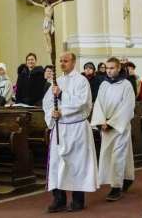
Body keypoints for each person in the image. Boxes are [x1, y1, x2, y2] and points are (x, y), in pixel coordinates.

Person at [42, 52, 98, 213]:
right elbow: (46, 103)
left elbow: (81, 103)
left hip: (77, 129)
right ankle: (59, 199)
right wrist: (52, 113)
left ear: (73, 62)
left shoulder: (82, 81)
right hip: (60, 128)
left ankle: (77, 200)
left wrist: (61, 99)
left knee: (76, 164)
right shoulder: (57, 81)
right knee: (57, 164)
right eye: (60, 61)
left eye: (65, 61)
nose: (62, 63)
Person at [91, 57, 135, 202]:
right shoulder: (104, 84)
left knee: (118, 155)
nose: (109, 71)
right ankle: (127, 177)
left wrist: (111, 123)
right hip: (105, 125)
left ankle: (116, 187)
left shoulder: (126, 85)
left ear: (118, 68)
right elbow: (98, 103)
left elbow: (128, 106)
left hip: (119, 125)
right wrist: (100, 121)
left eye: (112, 68)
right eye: (107, 68)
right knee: (113, 155)